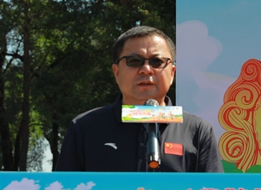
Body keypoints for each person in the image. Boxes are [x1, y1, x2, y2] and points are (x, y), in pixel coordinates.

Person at [55, 26, 223, 172]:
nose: (146, 69)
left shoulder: (197, 131)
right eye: (134, 61)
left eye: (157, 62)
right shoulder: (84, 128)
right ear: (116, 72)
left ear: (172, 73)